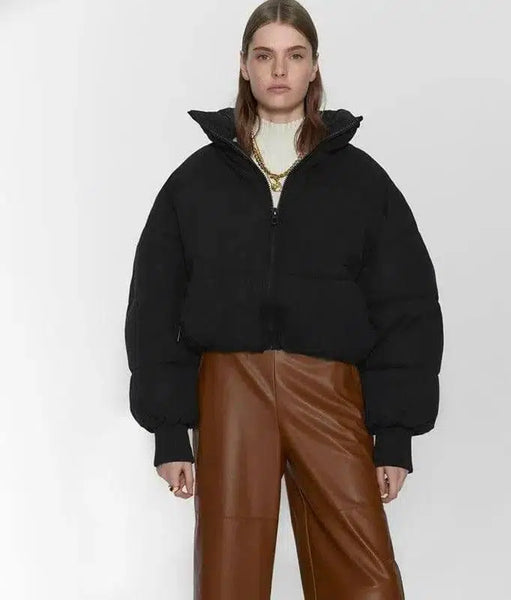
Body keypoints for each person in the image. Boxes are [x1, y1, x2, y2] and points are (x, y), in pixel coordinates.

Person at [124, 1, 444, 598]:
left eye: (294, 55)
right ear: (244, 65)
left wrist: (395, 432)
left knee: (368, 579)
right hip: (229, 390)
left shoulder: (360, 181)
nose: (279, 70)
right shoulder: (196, 182)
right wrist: (169, 428)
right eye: (264, 55)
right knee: (230, 578)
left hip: (329, 390)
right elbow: (154, 304)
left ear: (314, 66)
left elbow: (406, 303)